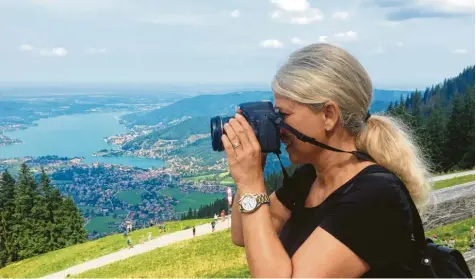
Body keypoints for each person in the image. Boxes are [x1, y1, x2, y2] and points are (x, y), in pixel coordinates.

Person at [226, 43, 432, 277]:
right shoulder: (310, 178)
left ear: (328, 115)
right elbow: (243, 234)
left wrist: (250, 184)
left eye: (282, 115)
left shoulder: (375, 195)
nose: (278, 127)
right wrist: (254, 166)